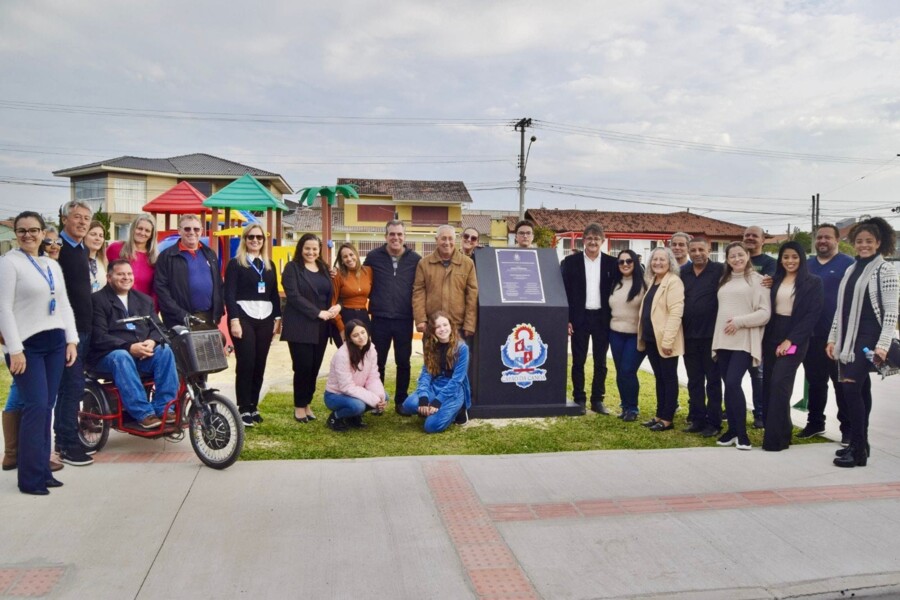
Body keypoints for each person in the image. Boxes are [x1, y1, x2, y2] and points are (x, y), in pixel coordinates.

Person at [0, 211, 78, 494]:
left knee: (47, 407)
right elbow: (3, 309)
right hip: (27, 347)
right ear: (16, 234)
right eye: (22, 231)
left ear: (44, 233)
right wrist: (15, 349)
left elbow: (65, 304)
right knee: (34, 407)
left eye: (34, 230)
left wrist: (71, 340)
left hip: (56, 342)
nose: (28, 235)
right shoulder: (9, 263)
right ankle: (30, 478)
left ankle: (44, 471)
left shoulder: (50, 265)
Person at [827, 217, 898, 468]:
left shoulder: (885, 270)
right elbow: (841, 308)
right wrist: (833, 337)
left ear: (879, 243)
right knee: (859, 389)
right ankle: (861, 445)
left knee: (850, 388)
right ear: (854, 244)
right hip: (848, 336)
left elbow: (891, 312)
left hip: (869, 336)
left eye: (869, 241)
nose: (864, 245)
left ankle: (857, 447)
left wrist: (884, 344)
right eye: (859, 241)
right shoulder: (851, 269)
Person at [88, 260, 179, 430]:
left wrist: (151, 342)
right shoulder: (97, 300)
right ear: (109, 277)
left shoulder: (144, 300)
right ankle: (144, 414)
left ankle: (165, 408)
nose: (126, 277)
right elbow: (99, 336)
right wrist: (129, 347)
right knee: (121, 356)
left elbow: (159, 328)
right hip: (107, 357)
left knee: (164, 350)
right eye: (120, 274)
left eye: (129, 274)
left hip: (142, 354)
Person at [761, 242, 823, 451]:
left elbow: (812, 316)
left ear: (802, 258)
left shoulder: (813, 282)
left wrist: (791, 340)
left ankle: (775, 441)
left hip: (795, 336)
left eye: (794, 257)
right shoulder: (774, 280)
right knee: (769, 384)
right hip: (770, 334)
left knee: (780, 383)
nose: (790, 261)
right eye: (785, 257)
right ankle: (783, 433)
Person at [712, 242, 771, 451]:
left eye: (740, 255)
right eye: (732, 256)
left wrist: (739, 322)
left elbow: (765, 313)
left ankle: (743, 434)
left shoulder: (759, 281)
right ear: (727, 260)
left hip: (744, 340)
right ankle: (732, 431)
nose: (736, 259)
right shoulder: (724, 280)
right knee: (728, 385)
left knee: (733, 381)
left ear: (747, 255)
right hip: (723, 340)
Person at [800, 224, 855, 442]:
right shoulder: (807, 265)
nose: (822, 241)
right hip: (811, 335)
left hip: (838, 336)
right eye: (819, 237)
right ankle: (815, 423)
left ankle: (847, 429)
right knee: (815, 382)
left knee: (841, 383)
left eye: (827, 237)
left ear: (837, 240)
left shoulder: (848, 264)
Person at [224, 224, 282, 428]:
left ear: (264, 241)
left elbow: (274, 293)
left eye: (259, 237)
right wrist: (234, 320)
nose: (255, 240)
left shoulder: (269, 265)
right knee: (246, 362)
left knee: (260, 363)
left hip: (265, 317)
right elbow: (229, 294)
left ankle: (253, 405)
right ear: (244, 239)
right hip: (244, 316)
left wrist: (277, 318)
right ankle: (243, 407)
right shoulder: (235, 264)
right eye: (251, 237)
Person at [560, 223, 618, 414]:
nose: (593, 241)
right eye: (589, 238)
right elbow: (564, 292)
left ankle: (597, 400)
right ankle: (579, 399)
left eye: (597, 238)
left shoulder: (612, 263)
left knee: (601, 362)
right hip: (579, 318)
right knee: (578, 360)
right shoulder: (570, 262)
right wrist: (566, 318)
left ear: (603, 241)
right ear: (583, 240)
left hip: (602, 318)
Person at [364, 220, 421, 412]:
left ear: (405, 237)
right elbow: (359, 277)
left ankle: (401, 401)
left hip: (405, 318)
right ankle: (377, 400)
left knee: (403, 361)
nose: (396, 238)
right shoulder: (373, 257)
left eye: (399, 234)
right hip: (380, 318)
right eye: (392, 234)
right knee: (377, 363)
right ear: (385, 236)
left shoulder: (415, 259)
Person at [282, 233, 340, 423]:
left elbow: (331, 292)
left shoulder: (324, 268)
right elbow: (293, 296)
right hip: (300, 325)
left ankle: (307, 403)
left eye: (315, 249)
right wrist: (317, 312)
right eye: (307, 248)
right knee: (303, 367)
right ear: (301, 248)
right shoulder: (292, 268)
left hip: (321, 327)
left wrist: (333, 307)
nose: (311, 252)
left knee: (314, 367)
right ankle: (299, 406)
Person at [54, 199, 95, 467]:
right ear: (65, 219)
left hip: (85, 328)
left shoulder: (81, 249)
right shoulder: (56, 250)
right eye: (76, 217)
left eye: (86, 218)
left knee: (75, 387)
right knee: (71, 387)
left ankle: (71, 437)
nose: (81, 222)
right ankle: (65, 443)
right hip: (68, 332)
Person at [681, 237, 725, 437]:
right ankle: (697, 420)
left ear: (709, 250)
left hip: (712, 336)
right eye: (693, 250)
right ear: (689, 252)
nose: (697, 253)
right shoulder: (683, 273)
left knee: (713, 381)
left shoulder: (720, 270)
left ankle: (714, 423)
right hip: (689, 336)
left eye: (701, 249)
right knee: (694, 380)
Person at [637, 247, 685, 431]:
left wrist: (667, 341)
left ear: (670, 262)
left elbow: (675, 313)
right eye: (654, 259)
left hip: (665, 341)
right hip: (651, 339)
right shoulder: (654, 281)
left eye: (662, 259)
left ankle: (667, 419)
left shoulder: (674, 282)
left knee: (669, 378)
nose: (657, 262)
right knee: (659, 378)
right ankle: (659, 414)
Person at [399, 311, 471, 433]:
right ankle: (433, 408)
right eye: (437, 327)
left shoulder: (462, 348)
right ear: (432, 330)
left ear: (451, 326)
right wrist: (423, 397)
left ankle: (457, 410)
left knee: (430, 427)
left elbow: (457, 380)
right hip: (435, 385)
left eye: (445, 325)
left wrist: (438, 401)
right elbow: (425, 375)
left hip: (453, 390)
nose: (442, 329)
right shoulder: (431, 346)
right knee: (408, 405)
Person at [154, 214, 224, 331]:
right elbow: (161, 290)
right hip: (181, 319)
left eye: (196, 229)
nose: (192, 232)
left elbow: (218, 283)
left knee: (215, 346)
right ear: (179, 231)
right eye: (187, 229)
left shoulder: (210, 253)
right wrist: (181, 315)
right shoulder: (167, 256)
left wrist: (219, 308)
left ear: (201, 231)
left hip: (208, 316)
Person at [412, 224, 478, 340]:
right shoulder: (424, 264)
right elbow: (418, 293)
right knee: (432, 358)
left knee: (459, 358)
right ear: (436, 240)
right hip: (432, 326)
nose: (447, 242)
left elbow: (472, 295)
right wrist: (420, 319)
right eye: (443, 238)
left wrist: (469, 324)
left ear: (455, 240)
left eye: (450, 238)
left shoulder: (467, 264)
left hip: (458, 327)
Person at [323, 319, 387, 432]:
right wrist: (373, 400)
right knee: (358, 406)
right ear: (349, 339)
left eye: (363, 332)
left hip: (354, 391)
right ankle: (335, 417)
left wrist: (379, 397)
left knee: (383, 396)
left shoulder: (371, 349)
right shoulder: (342, 355)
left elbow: (373, 377)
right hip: (335, 395)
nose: (361, 337)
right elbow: (346, 387)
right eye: (355, 335)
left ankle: (353, 417)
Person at [743, 225, 777, 428]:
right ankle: (730, 408)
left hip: (759, 328)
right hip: (737, 327)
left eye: (754, 236)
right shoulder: (735, 261)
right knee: (732, 373)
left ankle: (760, 413)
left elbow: (764, 288)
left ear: (763, 240)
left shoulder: (770, 264)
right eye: (747, 235)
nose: (750, 238)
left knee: (758, 373)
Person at [608, 249, 646, 421]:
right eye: (621, 262)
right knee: (620, 372)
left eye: (629, 261)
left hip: (635, 335)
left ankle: (632, 408)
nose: (625, 264)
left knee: (628, 370)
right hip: (615, 333)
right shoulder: (614, 283)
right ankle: (624, 406)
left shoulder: (645, 283)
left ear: (635, 263)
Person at [107, 213, 159, 301]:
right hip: (114, 306)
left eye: (147, 230)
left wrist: (151, 311)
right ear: (133, 229)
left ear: (151, 235)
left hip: (142, 309)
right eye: (139, 228)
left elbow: (155, 290)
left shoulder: (155, 259)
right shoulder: (115, 249)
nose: (142, 233)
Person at [331, 242, 373, 346]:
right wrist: (341, 328)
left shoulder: (368, 272)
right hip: (344, 317)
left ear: (356, 254)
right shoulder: (338, 275)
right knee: (347, 356)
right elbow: (332, 303)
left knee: (363, 355)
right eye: (345, 257)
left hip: (363, 317)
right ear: (341, 260)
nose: (349, 259)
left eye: (351, 254)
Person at [85, 220, 108, 293]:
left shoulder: (104, 262)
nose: (97, 238)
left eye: (101, 236)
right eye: (93, 234)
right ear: (84, 236)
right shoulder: (77, 261)